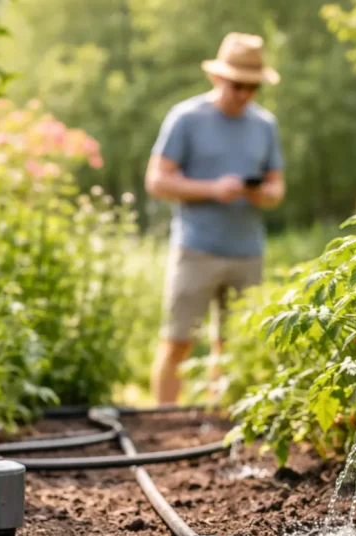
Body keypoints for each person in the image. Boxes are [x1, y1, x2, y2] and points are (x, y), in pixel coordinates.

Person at [145, 32, 286, 404]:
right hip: (196, 249)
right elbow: (157, 180)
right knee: (178, 341)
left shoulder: (265, 125)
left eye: (252, 87)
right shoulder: (186, 118)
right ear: (218, 77)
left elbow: (277, 188)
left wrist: (260, 193)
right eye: (237, 85)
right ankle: (162, 428)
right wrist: (212, 189)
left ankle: (217, 426)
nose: (243, 94)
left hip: (247, 252)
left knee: (233, 347)